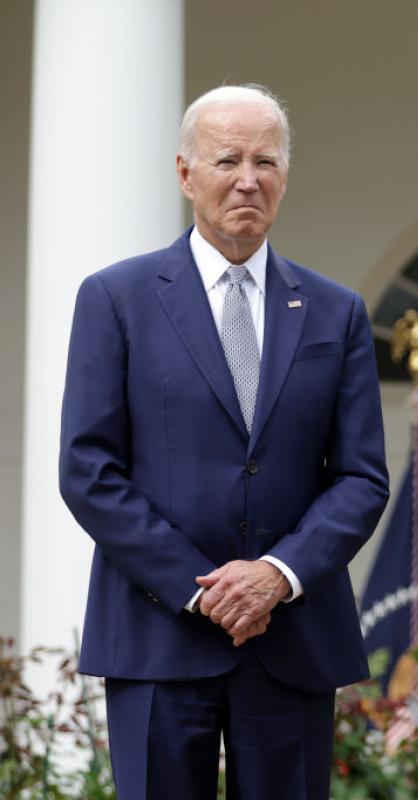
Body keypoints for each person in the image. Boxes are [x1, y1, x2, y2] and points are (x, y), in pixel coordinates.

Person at [58, 84, 390, 800]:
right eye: (228, 160)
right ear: (185, 173)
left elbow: (361, 477)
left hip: (291, 638)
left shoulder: (337, 311)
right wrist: (202, 589)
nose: (248, 179)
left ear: (286, 177)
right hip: (157, 633)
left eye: (266, 162)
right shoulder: (116, 299)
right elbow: (88, 469)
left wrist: (276, 574)